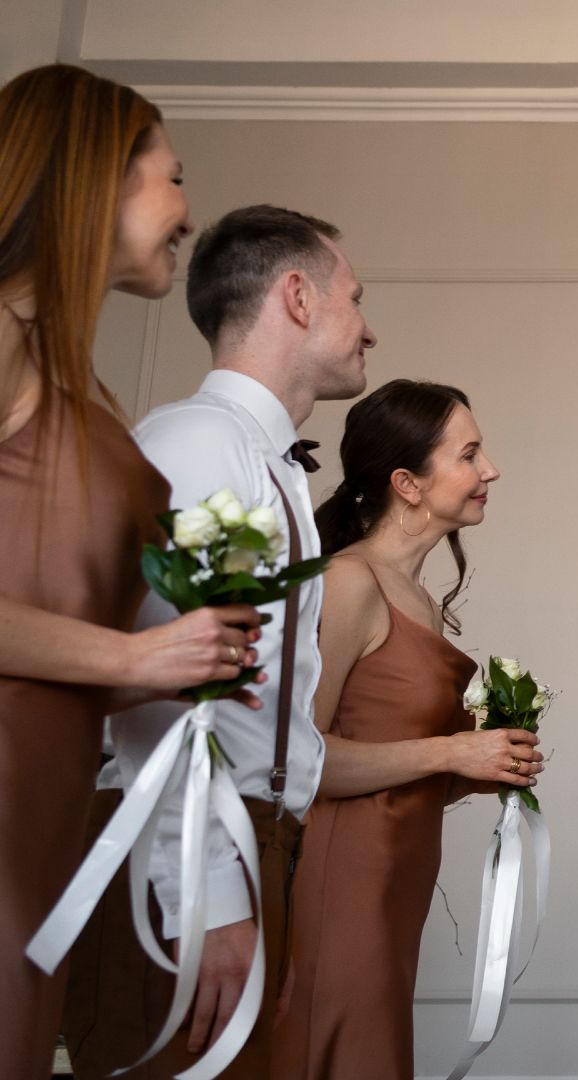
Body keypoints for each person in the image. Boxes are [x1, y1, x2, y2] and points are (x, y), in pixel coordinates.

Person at [63, 204, 375, 1079]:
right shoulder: (199, 443)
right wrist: (208, 894)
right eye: (355, 298)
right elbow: (161, 704)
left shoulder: (266, 459)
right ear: (298, 297)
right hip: (194, 854)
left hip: (254, 842)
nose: (369, 328)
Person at [0, 63, 262, 1074]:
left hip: (43, 828)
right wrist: (134, 658)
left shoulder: (76, 384)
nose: (189, 212)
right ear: (93, 176)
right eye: (174, 177)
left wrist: (173, 666)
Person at [270, 380, 528, 1079]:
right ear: (407, 483)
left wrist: (480, 770)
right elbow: (298, 763)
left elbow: (406, 773)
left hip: (398, 885)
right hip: (342, 880)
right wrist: (453, 749)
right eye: (469, 455)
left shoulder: (421, 601)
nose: (490, 471)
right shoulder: (349, 582)